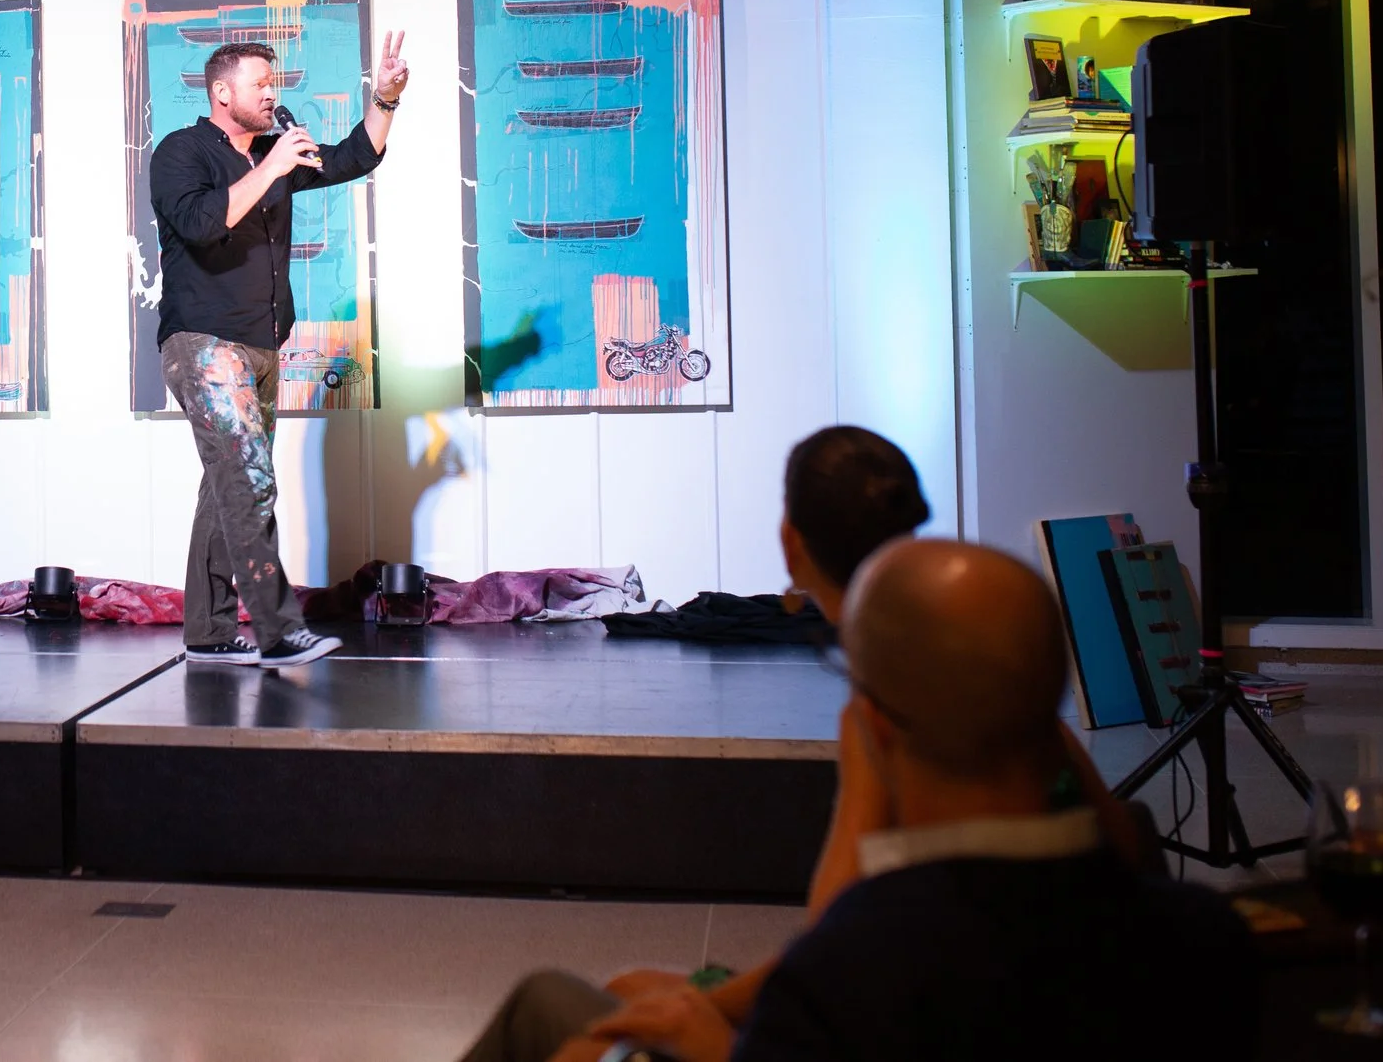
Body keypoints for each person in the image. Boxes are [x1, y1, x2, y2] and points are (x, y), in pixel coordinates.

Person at [458, 426, 1138, 1062]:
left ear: (792, 540)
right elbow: (1128, 850)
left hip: (906, 1002)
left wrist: (706, 1011)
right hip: (1008, 980)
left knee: (549, 1004)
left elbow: (834, 955)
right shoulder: (988, 671)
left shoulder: (880, 716)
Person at [577, 540, 1257, 1062]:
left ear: (875, 728)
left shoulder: (860, 964)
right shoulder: (1209, 937)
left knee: (566, 1019)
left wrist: (717, 1044)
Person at [149, 31, 409, 667]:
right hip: (203, 343)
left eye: (275, 83)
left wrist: (385, 98)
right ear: (221, 92)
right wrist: (272, 166)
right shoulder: (181, 152)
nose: (272, 93)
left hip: (262, 345)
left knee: (227, 485)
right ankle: (278, 629)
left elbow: (355, 157)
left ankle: (208, 634)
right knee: (250, 478)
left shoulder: (275, 152)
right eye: (260, 84)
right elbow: (204, 224)